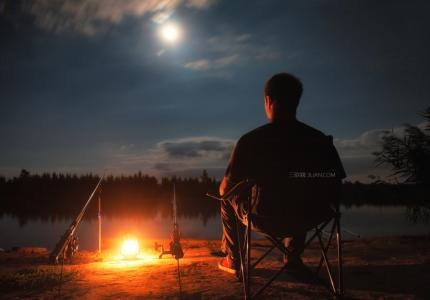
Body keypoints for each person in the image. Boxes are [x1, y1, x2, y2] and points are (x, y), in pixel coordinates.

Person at [218, 72, 346, 277]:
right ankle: (293, 259)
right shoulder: (319, 140)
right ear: (296, 102)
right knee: (301, 195)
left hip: (263, 218)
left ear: (268, 100)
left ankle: (235, 259)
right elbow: (335, 184)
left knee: (225, 195)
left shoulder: (251, 141)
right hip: (310, 217)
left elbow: (226, 188)